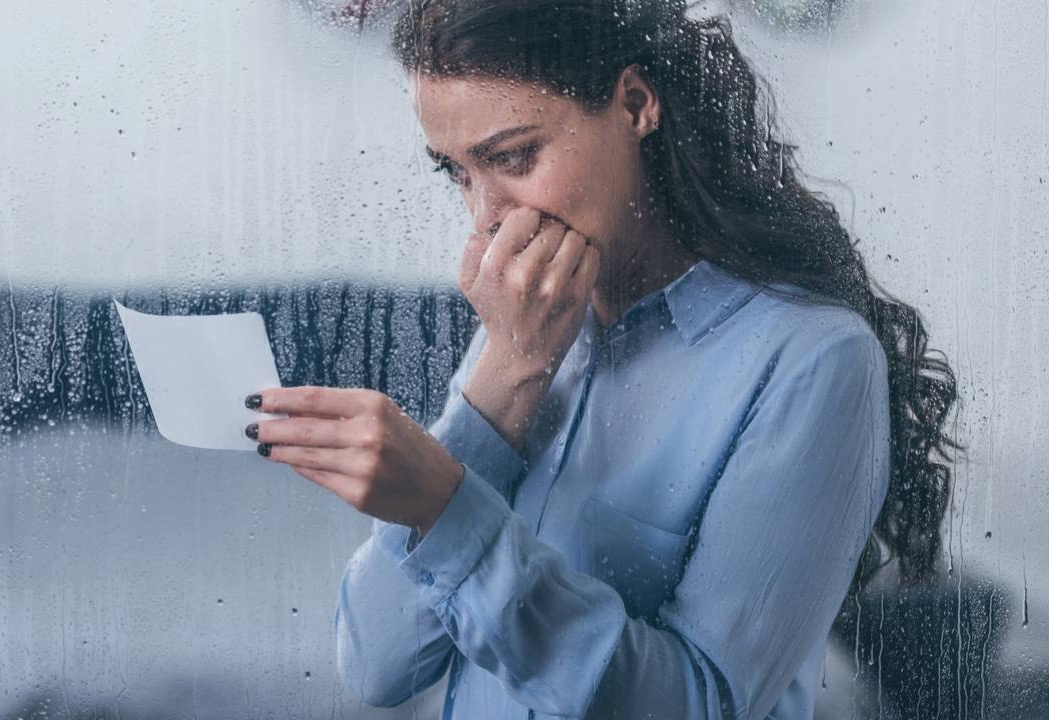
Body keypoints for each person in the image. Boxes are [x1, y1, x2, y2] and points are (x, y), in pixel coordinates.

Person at [241, 0, 962, 716]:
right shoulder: (525, 327)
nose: (485, 216)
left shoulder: (809, 361)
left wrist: (447, 508)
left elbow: (697, 704)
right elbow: (378, 663)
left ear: (635, 104)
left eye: (515, 157)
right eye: (455, 173)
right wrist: (504, 379)